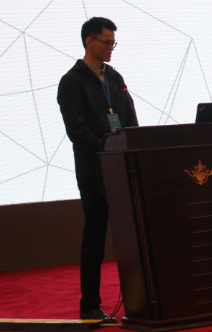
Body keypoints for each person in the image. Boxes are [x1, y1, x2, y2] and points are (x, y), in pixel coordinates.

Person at [57, 17, 139, 322]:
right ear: (89, 42)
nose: (111, 48)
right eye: (107, 42)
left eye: (114, 43)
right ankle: (90, 305)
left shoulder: (114, 77)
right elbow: (77, 131)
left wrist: (133, 146)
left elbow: (129, 118)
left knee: (134, 233)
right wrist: (109, 150)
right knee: (95, 236)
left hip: (122, 168)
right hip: (94, 170)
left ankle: (141, 302)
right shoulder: (72, 81)